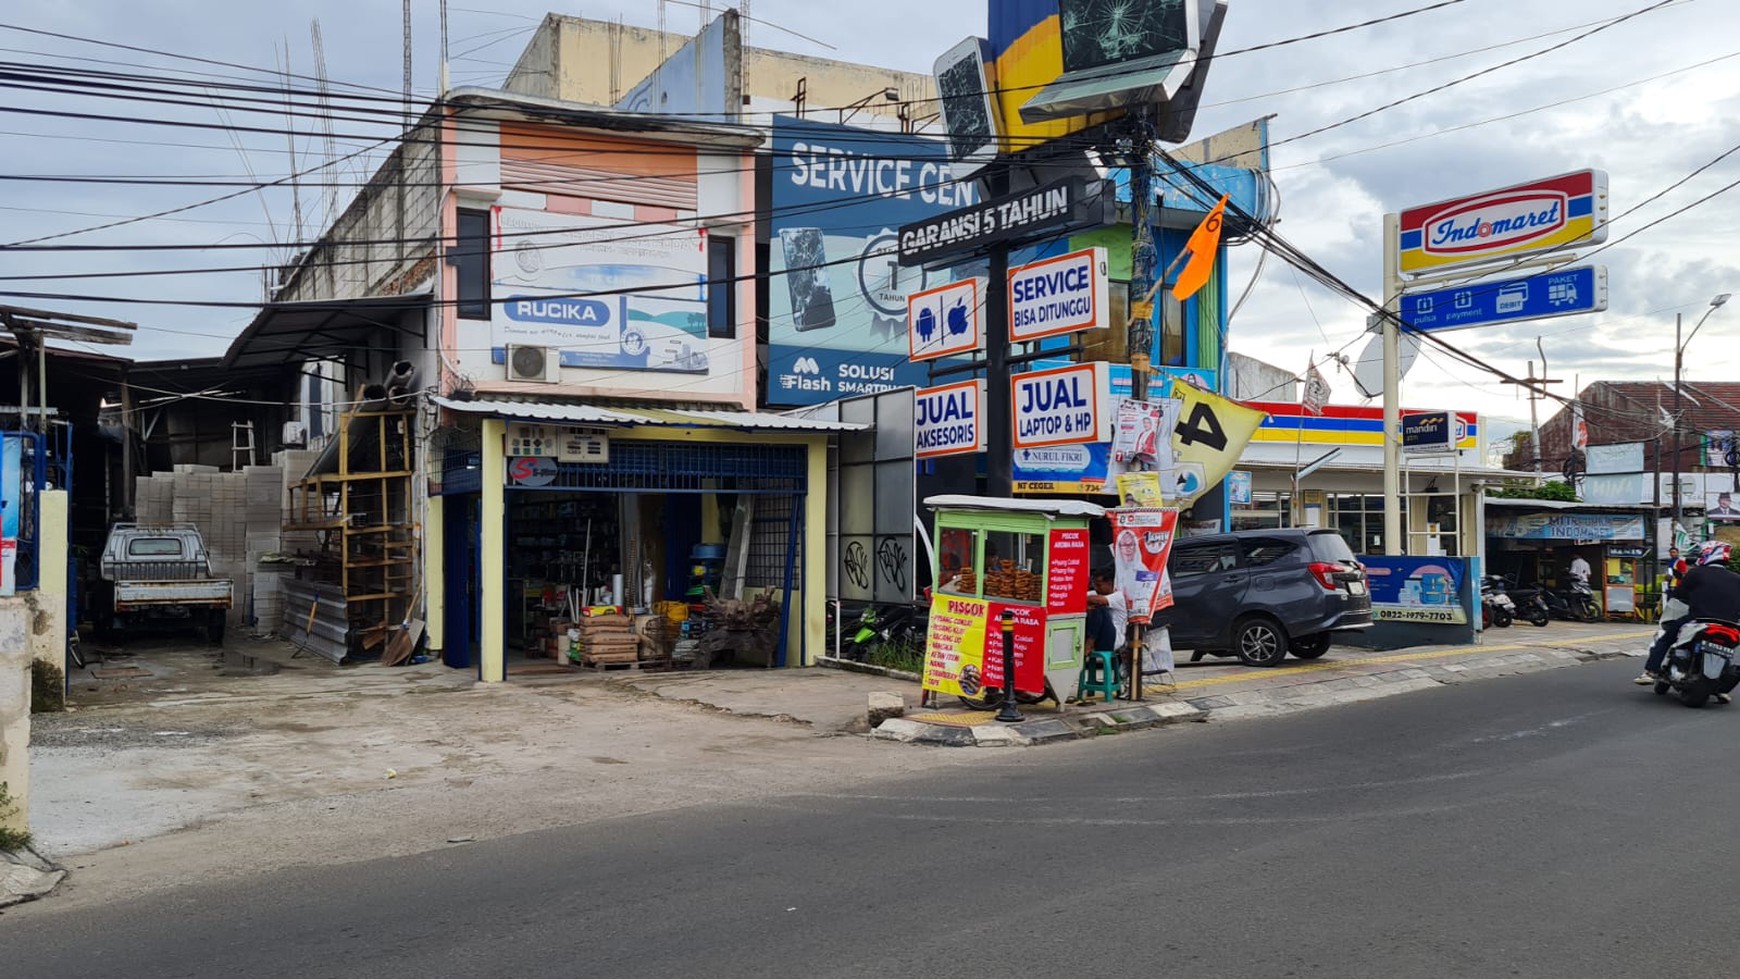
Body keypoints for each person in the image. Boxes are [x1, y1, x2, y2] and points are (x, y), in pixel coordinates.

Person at [1636, 540, 1740, 704]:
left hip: (1700, 618)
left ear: (1708, 554)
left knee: (1667, 637)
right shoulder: (1737, 578)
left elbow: (1680, 594)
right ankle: (1720, 688)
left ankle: (1651, 671)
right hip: (1731, 625)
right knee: (1724, 650)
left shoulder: (1696, 573)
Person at [1085, 567, 1127, 654]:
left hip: (1113, 640)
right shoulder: (1097, 594)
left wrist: (1086, 602)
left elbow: (1099, 601)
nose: (1096, 589)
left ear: (1110, 583)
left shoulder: (1119, 596)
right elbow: (1081, 597)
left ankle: (1090, 642)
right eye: (1095, 585)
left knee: (1100, 607)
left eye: (1099, 585)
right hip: (1100, 638)